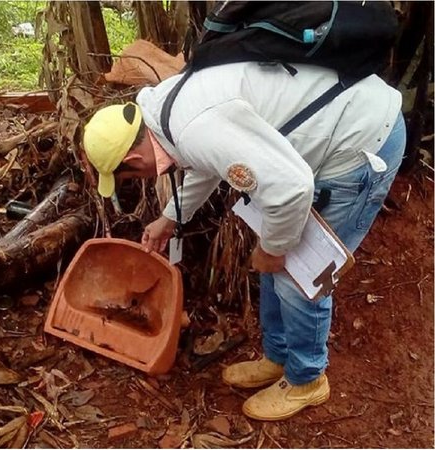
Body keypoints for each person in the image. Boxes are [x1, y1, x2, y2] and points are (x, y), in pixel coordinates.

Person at [82, 60, 405, 421]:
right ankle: (278, 357)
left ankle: (306, 379)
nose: (139, 181)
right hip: (323, 140)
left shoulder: (194, 127)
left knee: (299, 275)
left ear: (132, 157)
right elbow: (209, 162)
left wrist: (272, 249)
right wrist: (169, 218)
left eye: (131, 176)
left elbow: (292, 190)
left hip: (359, 141)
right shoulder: (164, 112)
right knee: (279, 260)